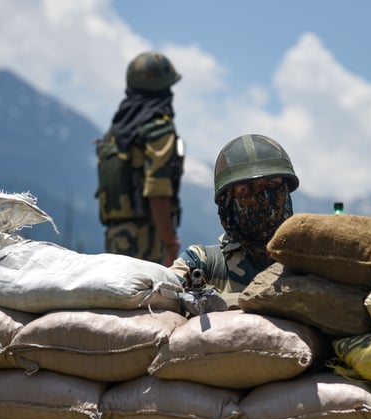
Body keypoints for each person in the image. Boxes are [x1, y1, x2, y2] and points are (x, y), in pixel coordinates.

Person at [169, 133, 299, 302]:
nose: (263, 199)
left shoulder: (310, 260)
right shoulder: (202, 262)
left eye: (272, 185)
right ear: (228, 204)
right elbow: (162, 290)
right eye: (247, 190)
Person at [95, 51, 184, 266]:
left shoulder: (116, 132)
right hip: (148, 239)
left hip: (115, 236)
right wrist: (170, 244)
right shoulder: (157, 130)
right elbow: (158, 193)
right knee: (153, 298)